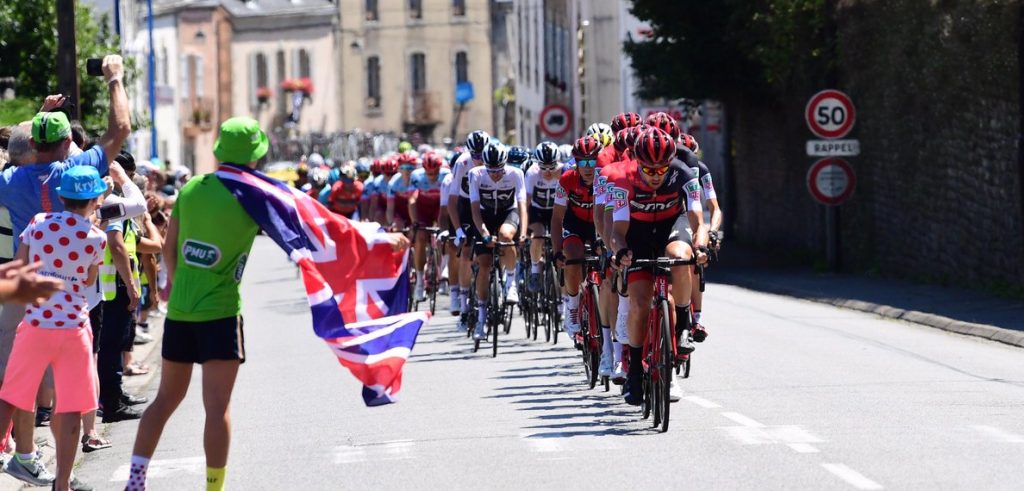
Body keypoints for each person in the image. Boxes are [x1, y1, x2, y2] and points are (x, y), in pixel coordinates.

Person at [125, 117, 266, 491]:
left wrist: (179, 285)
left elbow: (169, 249)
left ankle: (135, 482)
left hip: (181, 313)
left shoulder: (190, 190)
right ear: (254, 157)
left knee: (165, 400)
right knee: (216, 407)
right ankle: (213, 488)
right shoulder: (252, 196)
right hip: (220, 312)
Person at [0, 166, 110, 491]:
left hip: (35, 324)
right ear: (94, 200)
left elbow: (21, 265)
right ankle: (62, 484)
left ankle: (13, 452)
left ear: (61, 197)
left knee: (11, 394)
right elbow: (89, 280)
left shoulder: (38, 223)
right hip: (74, 327)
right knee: (71, 407)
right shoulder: (97, 238)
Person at [609, 127, 708, 406]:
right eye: (648, 170)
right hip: (637, 235)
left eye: (661, 169)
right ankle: (636, 372)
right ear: (637, 163)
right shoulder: (622, 181)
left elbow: (698, 220)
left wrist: (701, 247)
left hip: (671, 227)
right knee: (639, 303)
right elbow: (617, 231)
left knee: (680, 255)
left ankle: (682, 327)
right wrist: (619, 253)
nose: (655, 176)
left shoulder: (684, 175)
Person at [468, 142, 527, 340]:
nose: (495, 174)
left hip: (507, 213)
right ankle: (481, 318)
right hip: (483, 216)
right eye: (491, 170)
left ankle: (510, 282)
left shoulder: (515, 173)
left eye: (499, 170)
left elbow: (522, 205)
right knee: (484, 266)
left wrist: (524, 233)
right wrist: (484, 233)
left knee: (506, 236)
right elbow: (475, 209)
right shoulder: (475, 174)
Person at [551, 137, 602, 343]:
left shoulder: (606, 178)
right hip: (575, 225)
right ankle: (572, 306)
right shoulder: (567, 179)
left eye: (593, 162)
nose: (589, 168)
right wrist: (556, 251)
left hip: (600, 225)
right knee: (573, 256)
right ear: (576, 163)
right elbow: (556, 218)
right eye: (583, 162)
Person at [447, 130, 489, 331]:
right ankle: (464, 308)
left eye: (483, 154)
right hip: (465, 206)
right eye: (475, 155)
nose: (479, 159)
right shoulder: (462, 163)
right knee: (465, 252)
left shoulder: (494, 161)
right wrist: (458, 230)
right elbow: (452, 200)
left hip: (486, 205)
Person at [408, 152, 450, 301]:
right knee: (420, 238)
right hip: (423, 209)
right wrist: (414, 222)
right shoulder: (416, 176)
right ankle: (420, 281)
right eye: (429, 173)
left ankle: (444, 270)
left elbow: (450, 201)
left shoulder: (446, 174)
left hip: (439, 207)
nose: (432, 176)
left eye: (435, 172)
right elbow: (412, 200)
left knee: (444, 236)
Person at [525, 142, 562, 292]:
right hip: (537, 210)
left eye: (551, 167)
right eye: (543, 167)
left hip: (556, 211)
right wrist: (524, 227)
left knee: (561, 239)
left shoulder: (563, 172)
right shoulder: (532, 173)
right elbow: (526, 202)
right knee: (537, 237)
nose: (547, 171)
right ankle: (535, 269)